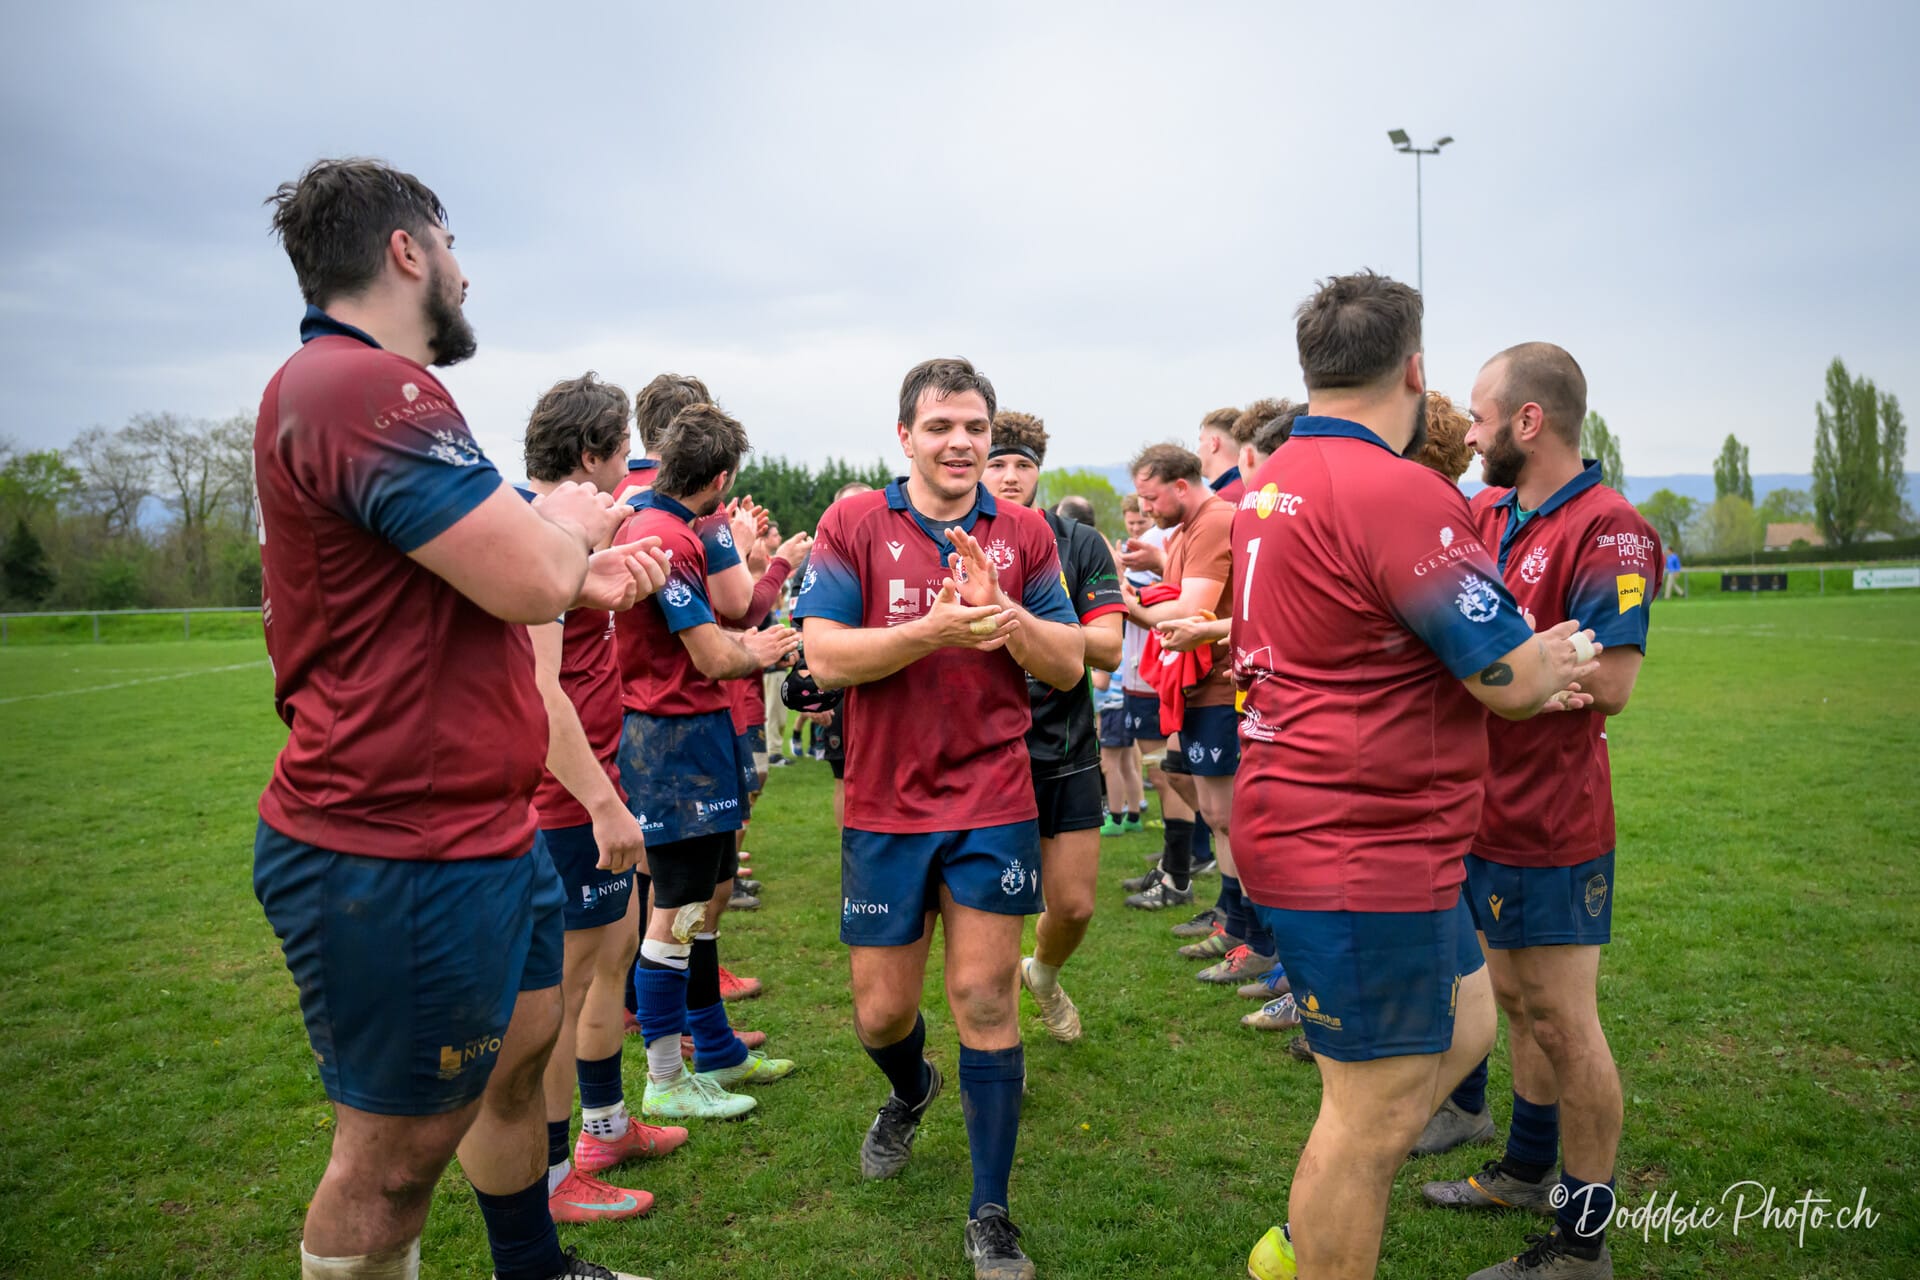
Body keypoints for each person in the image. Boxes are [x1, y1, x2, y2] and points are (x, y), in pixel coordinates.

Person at [254, 157, 663, 1280]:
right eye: (455, 248)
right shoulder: (363, 386)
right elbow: (527, 575)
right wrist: (567, 527)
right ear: (407, 249)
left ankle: (533, 1266)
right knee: (389, 1163)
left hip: (477, 826)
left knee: (520, 1054)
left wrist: (569, 564)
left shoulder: (362, 390)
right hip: (392, 841)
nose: (465, 277)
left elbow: (482, 577)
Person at [1231, 271, 1601, 1280]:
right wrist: (1555, 654)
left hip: (1345, 824)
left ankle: (1314, 1233)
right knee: (1370, 1117)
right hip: (1358, 839)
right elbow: (1509, 676)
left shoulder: (1272, 480)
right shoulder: (1399, 489)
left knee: (1470, 1020)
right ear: (1415, 367)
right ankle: (1316, 1247)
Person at [795, 358, 1084, 1280]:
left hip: (994, 797)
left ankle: (990, 1214)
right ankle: (912, 1087)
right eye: (941, 428)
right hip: (885, 800)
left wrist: (1003, 617)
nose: (961, 444)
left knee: (986, 1000)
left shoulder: (1027, 531)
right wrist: (932, 630)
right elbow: (827, 659)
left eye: (975, 429)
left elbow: (1071, 664)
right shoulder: (855, 522)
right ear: (906, 437)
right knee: (882, 1015)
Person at [1418, 343, 1661, 1280]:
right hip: (1482, 806)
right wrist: (1522, 655)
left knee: (1564, 1018)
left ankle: (1582, 1242)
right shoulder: (1486, 510)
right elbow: (1451, 631)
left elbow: (1610, 679)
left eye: (1479, 418)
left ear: (1530, 422)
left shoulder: (1611, 529)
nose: (1467, 435)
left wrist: (1510, 657)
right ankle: (1524, 1169)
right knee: (1514, 1002)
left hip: (1554, 823)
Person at [519, 375, 690, 1226]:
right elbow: (538, 691)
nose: (629, 466)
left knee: (613, 954)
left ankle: (606, 1127)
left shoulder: (576, 537)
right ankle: (557, 1176)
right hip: (563, 802)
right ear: (589, 454)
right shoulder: (542, 535)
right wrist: (599, 804)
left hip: (593, 786)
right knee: (557, 992)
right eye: (622, 449)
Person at [613, 402, 801, 1122]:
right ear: (720, 479)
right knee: (678, 908)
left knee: (712, 896)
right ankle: (665, 1076)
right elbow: (711, 650)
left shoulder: (672, 527)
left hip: (698, 735)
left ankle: (715, 1045)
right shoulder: (664, 537)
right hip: (672, 742)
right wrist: (758, 649)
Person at [985, 410, 1126, 1044]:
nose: (1009, 477)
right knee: (996, 913)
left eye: (1022, 464)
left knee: (1072, 907)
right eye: (997, 463)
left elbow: (1108, 648)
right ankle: (998, 1052)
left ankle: (1042, 973)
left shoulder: (1080, 544)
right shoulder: (950, 542)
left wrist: (1015, 619)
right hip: (987, 749)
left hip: (1066, 745)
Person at [1123, 443, 1279, 1001]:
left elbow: (1196, 607)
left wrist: (1125, 605)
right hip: (1199, 686)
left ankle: (1255, 937)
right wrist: (1154, 570)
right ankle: (1234, 923)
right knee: (1218, 814)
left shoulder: (1213, 521)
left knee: (1230, 816)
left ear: (1181, 485)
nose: (1147, 507)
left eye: (1151, 496)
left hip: (1219, 686)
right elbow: (1192, 587)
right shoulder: (1190, 526)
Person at [1196, 404, 1247, 502]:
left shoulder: (1223, 500)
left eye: (1201, 441)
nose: (1198, 450)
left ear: (1213, 444)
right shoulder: (1254, 489)